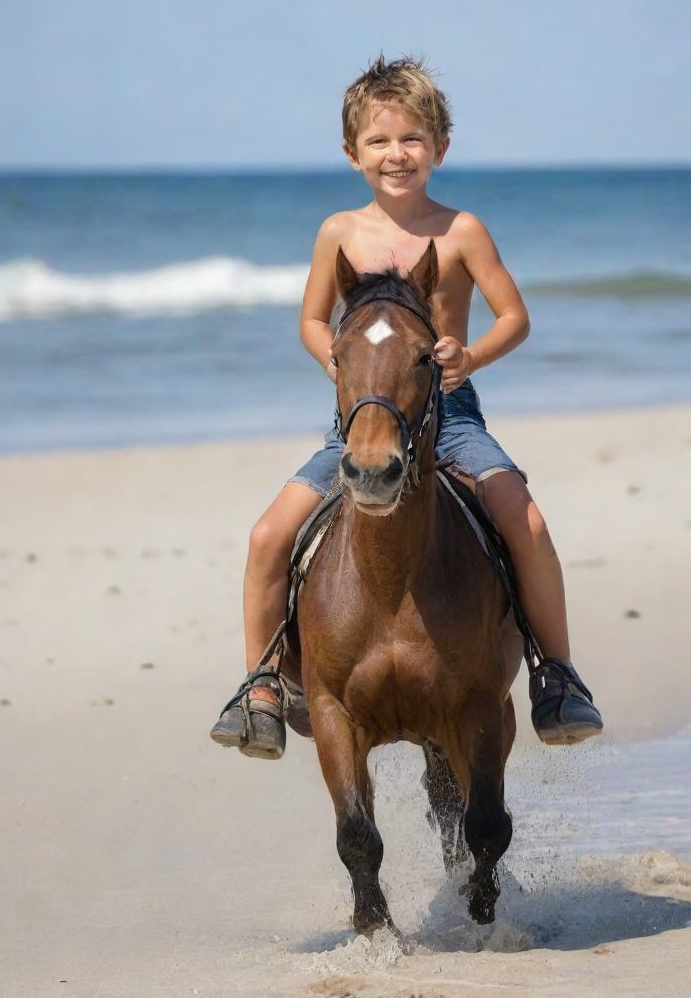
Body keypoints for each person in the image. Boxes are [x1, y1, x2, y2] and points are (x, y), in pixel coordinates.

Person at [210, 55, 602, 758]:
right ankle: (262, 684)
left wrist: (470, 356)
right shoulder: (338, 232)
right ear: (352, 153)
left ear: (440, 149)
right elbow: (310, 319)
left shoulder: (462, 231)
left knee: (527, 521)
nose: (397, 154)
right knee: (270, 535)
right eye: (380, 141)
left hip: (449, 416)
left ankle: (556, 673)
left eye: (413, 139)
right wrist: (332, 355)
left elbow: (514, 317)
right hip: (361, 419)